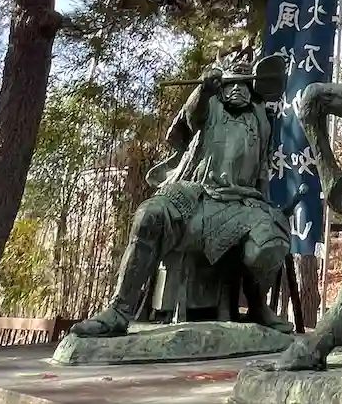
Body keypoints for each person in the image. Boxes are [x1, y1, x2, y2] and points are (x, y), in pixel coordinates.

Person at [72, 49, 292, 337]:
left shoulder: (261, 118)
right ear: (221, 87)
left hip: (244, 202)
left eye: (244, 84)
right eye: (231, 83)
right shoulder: (210, 105)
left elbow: (262, 168)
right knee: (149, 216)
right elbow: (192, 116)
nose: (238, 89)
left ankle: (258, 307)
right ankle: (119, 310)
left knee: (270, 242)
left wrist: (266, 206)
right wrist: (204, 89)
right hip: (197, 193)